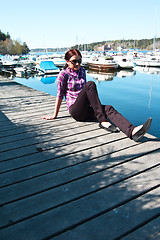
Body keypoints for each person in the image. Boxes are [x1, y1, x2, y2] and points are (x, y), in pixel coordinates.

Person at [42, 49, 152, 142]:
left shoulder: (82, 71)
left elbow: (87, 94)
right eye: (74, 61)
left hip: (87, 109)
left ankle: (132, 131)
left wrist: (95, 107)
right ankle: (103, 121)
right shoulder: (63, 74)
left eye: (79, 61)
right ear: (67, 61)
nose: (78, 64)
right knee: (90, 84)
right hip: (76, 110)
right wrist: (54, 115)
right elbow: (60, 95)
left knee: (109, 108)